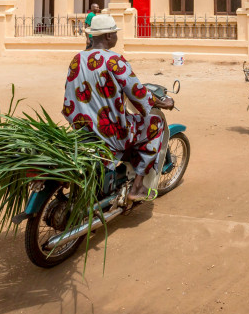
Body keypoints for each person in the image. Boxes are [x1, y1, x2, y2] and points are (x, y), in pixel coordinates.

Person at [62, 15, 175, 203]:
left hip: (82, 128)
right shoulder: (114, 60)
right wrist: (165, 103)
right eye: (114, 33)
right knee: (155, 123)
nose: (116, 36)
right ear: (107, 37)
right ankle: (137, 186)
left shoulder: (77, 58)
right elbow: (138, 92)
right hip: (110, 132)